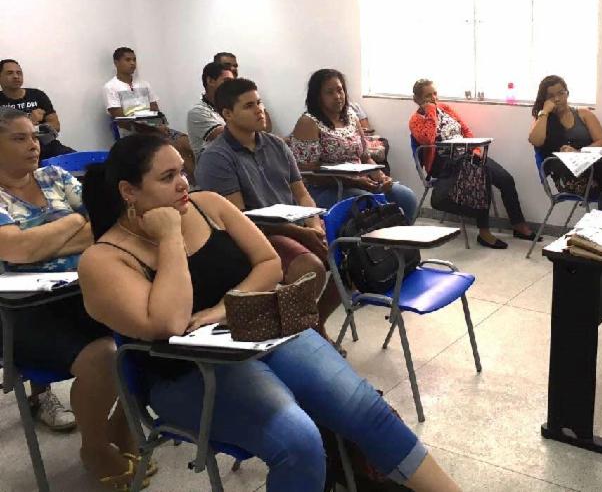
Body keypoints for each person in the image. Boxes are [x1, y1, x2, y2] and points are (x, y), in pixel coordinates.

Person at [78, 133, 462, 492]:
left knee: (366, 410)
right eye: (167, 177)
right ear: (129, 191)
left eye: (182, 170)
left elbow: (268, 263)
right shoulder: (104, 259)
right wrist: (169, 238)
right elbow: (168, 323)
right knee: (300, 441)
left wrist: (222, 308)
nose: (183, 183)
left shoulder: (208, 205)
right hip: (187, 374)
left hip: (259, 330)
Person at [0, 108, 141, 490]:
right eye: (19, 139)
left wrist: (42, 239)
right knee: (104, 355)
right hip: (25, 311)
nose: (32, 145)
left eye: (33, 136)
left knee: (150, 331)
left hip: (89, 287)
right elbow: (15, 252)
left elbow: (107, 224)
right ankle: (94, 446)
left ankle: (123, 425)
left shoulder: (54, 175)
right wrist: (72, 223)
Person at [194, 78, 341, 343]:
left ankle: (313, 322)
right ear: (227, 114)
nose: (259, 110)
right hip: (255, 235)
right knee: (310, 267)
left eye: (259, 102)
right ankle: (298, 332)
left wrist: (315, 227)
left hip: (294, 226)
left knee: (350, 259)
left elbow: (301, 193)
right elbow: (239, 219)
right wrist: (302, 234)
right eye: (249, 106)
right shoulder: (217, 157)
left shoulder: (276, 144)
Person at [409, 79, 538, 249]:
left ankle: (517, 224)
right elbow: (428, 138)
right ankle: (484, 233)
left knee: (505, 178)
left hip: (468, 155)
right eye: (427, 96)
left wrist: (475, 150)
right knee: (481, 174)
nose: (433, 98)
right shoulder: (415, 120)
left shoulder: (446, 109)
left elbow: (466, 130)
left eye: (434, 93)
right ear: (416, 99)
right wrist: (431, 111)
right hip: (444, 162)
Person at [289, 69, 418, 222]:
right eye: (329, 92)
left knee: (406, 197)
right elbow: (306, 171)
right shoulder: (308, 122)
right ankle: (372, 245)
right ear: (317, 97)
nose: (337, 96)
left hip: (360, 182)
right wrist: (352, 181)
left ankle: (399, 244)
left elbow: (365, 157)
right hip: (325, 188)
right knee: (369, 202)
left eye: (340, 90)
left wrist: (381, 177)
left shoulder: (351, 117)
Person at [527, 75, 602, 195]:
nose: (557, 99)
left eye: (561, 93)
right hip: (566, 174)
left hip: (594, 166)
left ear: (567, 93)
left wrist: (579, 152)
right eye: (551, 96)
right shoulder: (543, 120)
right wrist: (544, 112)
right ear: (545, 99)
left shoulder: (583, 114)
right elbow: (536, 141)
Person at [103, 47, 195, 180]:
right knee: (174, 147)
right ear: (116, 63)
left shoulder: (144, 84)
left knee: (188, 142)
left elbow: (155, 109)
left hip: (154, 126)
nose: (132, 63)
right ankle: (189, 185)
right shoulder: (111, 87)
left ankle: (197, 183)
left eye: (134, 60)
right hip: (133, 130)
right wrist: (150, 125)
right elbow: (120, 117)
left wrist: (159, 125)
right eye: (127, 60)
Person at [0, 59, 75, 160]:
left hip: (47, 146)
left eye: (19, 73)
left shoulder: (37, 95)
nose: (16, 76)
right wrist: (30, 121)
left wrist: (28, 128)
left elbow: (56, 126)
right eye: (10, 73)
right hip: (15, 153)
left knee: (89, 165)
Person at [212, 51, 272, 132]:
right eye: (227, 65)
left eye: (235, 66)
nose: (233, 68)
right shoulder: (202, 109)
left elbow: (266, 127)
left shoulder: (247, 92)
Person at [186, 61, 234, 158]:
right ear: (210, 81)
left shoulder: (230, 106)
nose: (232, 86)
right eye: (227, 81)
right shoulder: (197, 112)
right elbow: (231, 137)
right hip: (213, 167)